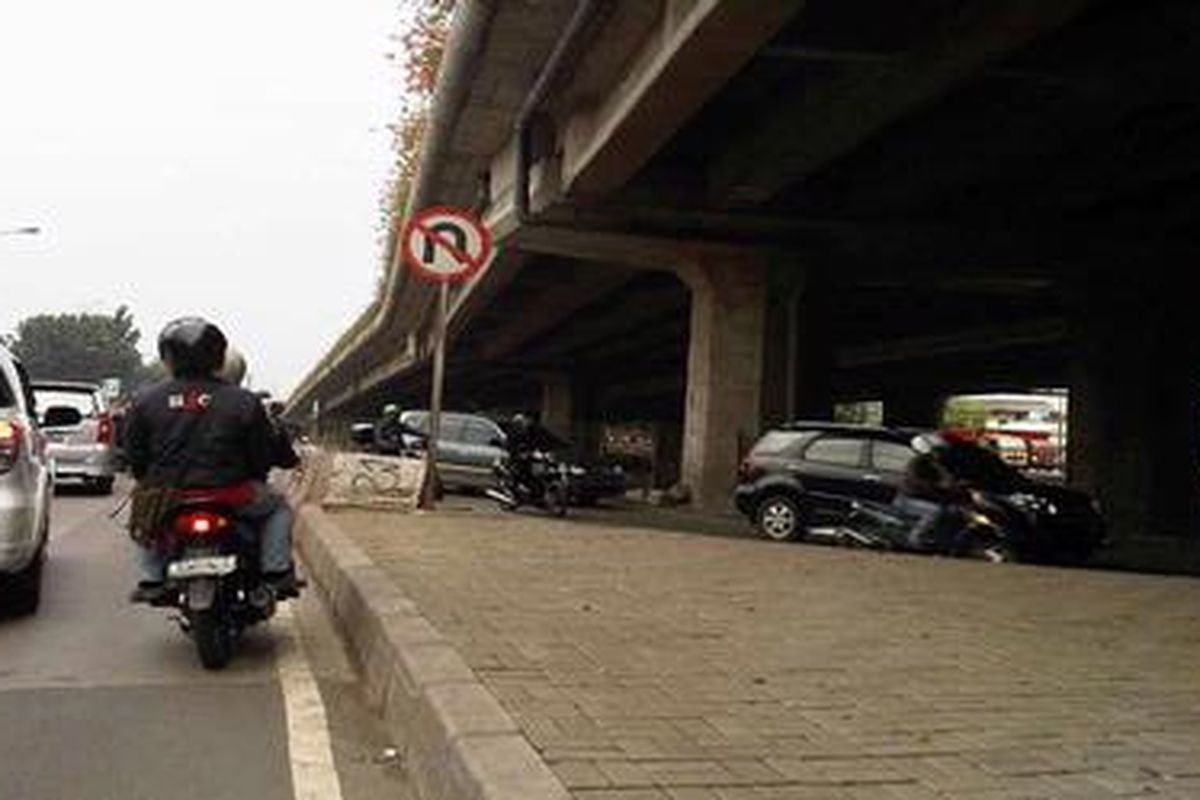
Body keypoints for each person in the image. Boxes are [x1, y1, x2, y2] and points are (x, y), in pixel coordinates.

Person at [124, 318, 297, 604]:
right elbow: (262, 454)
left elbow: (135, 454)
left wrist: (147, 481)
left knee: (143, 513)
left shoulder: (146, 401)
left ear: (167, 357)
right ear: (218, 356)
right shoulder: (243, 401)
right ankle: (275, 573)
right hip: (233, 493)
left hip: (169, 496)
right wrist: (257, 471)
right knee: (278, 509)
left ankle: (152, 578)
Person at [893, 436, 962, 551]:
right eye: (938, 450)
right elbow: (918, 482)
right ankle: (915, 539)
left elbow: (950, 479)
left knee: (955, 511)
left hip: (928, 498)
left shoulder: (937, 464)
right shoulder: (916, 464)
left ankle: (944, 540)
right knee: (935, 511)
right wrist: (938, 486)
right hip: (908, 499)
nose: (940, 453)